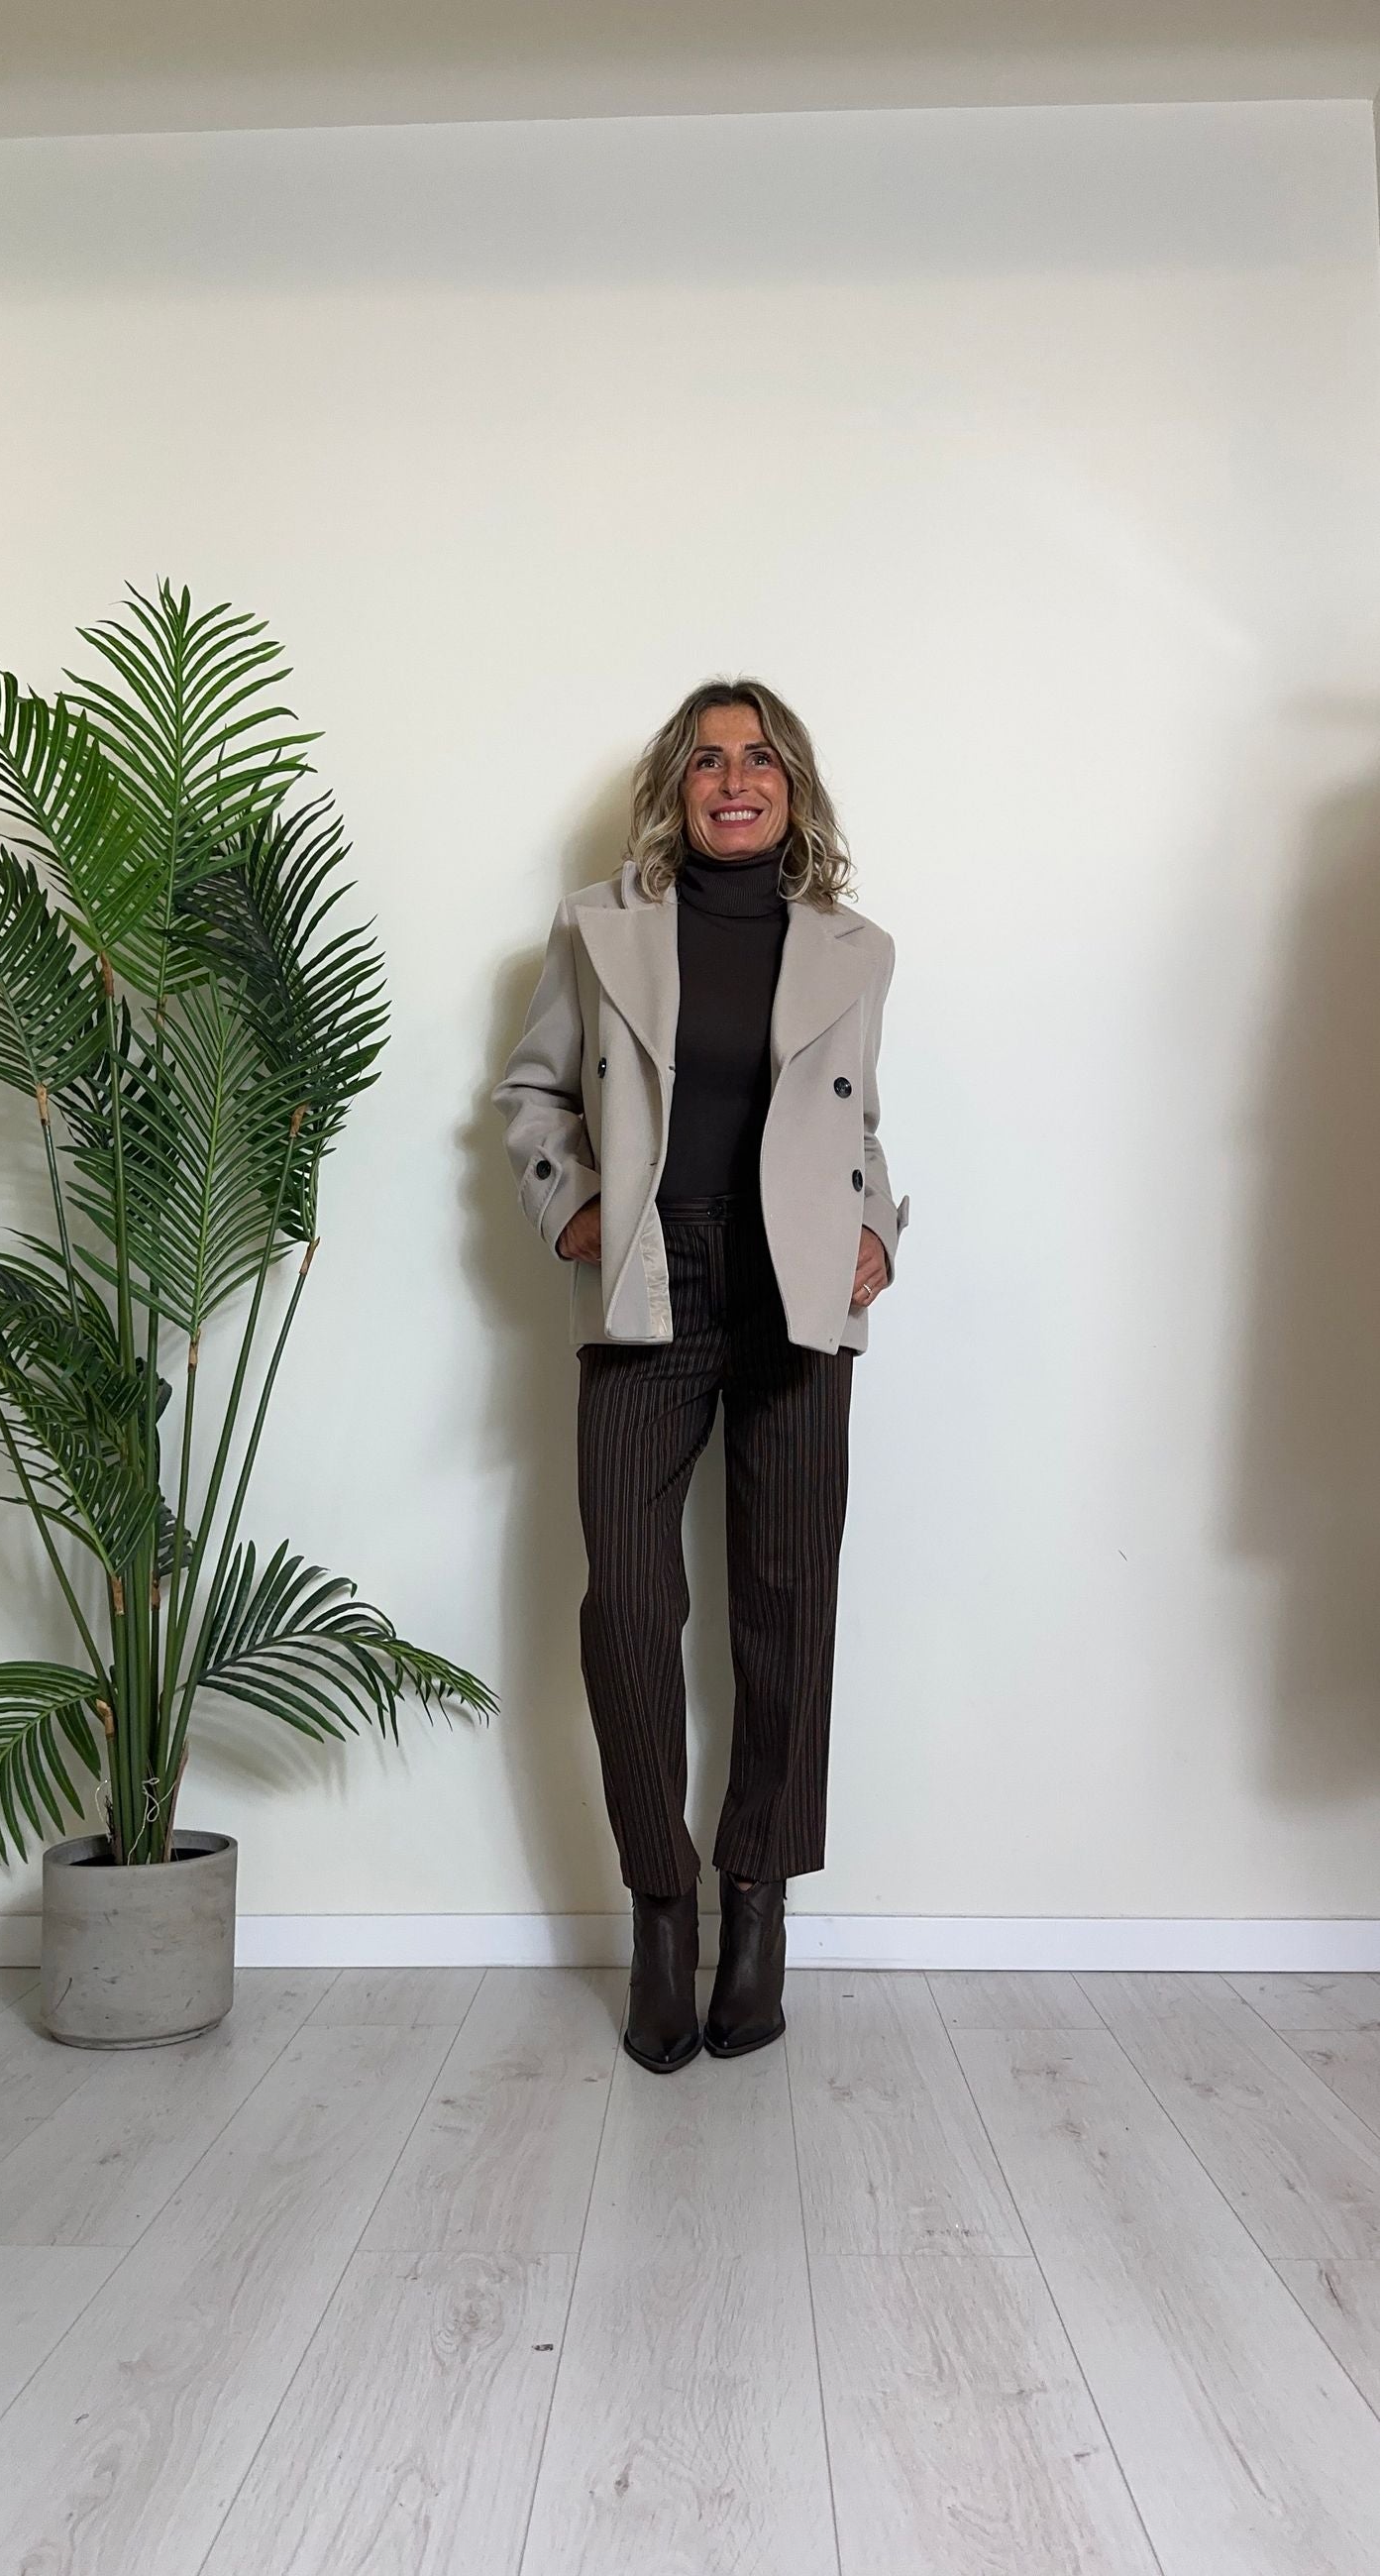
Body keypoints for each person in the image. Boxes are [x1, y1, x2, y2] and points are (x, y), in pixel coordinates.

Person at [493, 678, 908, 2073]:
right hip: (647, 1278)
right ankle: (661, 1912)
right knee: (627, 1601)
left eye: (763, 760)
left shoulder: (855, 948)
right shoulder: (600, 927)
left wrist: (876, 1229)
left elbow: (859, 1128)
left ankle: (760, 1906)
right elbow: (533, 1093)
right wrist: (572, 1205)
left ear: (794, 789)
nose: (738, 780)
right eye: (712, 760)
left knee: (787, 1605)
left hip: (794, 1284)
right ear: (678, 785)